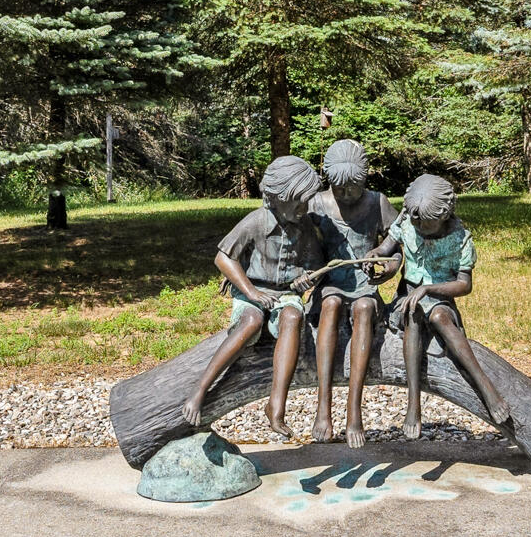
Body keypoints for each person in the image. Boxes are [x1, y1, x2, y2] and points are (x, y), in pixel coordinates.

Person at [189, 155, 336, 436]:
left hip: (285, 295)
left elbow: (316, 264)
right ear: (278, 197)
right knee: (251, 322)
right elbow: (224, 258)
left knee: (293, 317)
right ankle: (200, 388)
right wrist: (251, 291)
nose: (305, 208)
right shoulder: (256, 221)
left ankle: (276, 405)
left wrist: (308, 278)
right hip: (253, 294)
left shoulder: (303, 226)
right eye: (299, 201)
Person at [361, 173, 511, 439]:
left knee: (441, 317)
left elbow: (464, 285)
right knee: (412, 313)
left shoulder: (460, 238)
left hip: (440, 297)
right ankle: (413, 404)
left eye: (426, 226)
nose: (418, 229)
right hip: (408, 298)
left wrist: (429, 289)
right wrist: (375, 255)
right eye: (416, 223)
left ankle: (486, 387)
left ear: (443, 216)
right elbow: (386, 247)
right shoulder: (408, 220)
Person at [312, 139, 391, 446]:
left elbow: (400, 243)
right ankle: (323, 407)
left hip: (364, 285)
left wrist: (389, 268)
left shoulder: (376, 202)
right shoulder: (316, 204)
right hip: (331, 282)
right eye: (339, 188)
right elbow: (298, 245)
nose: (345, 194)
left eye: (352, 188)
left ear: (365, 179)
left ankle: (354, 410)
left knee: (364, 309)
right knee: (330, 303)